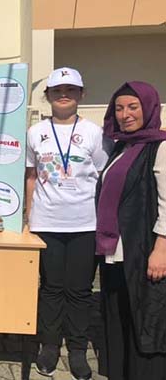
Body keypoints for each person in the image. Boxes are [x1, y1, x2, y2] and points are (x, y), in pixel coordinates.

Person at [25, 67, 111, 380]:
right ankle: (49, 346)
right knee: (50, 288)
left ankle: (77, 349)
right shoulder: (35, 132)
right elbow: (31, 177)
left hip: (85, 224)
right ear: (48, 96)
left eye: (71, 90)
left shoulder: (95, 133)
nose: (64, 95)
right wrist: (28, 218)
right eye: (57, 90)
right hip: (46, 222)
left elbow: (103, 176)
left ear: (81, 94)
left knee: (79, 290)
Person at [96, 81, 166, 380]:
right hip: (117, 251)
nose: (125, 115)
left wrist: (161, 249)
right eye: (119, 108)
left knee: (146, 319)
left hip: (144, 249)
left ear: (149, 108)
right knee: (120, 315)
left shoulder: (160, 147)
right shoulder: (122, 146)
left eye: (133, 107)